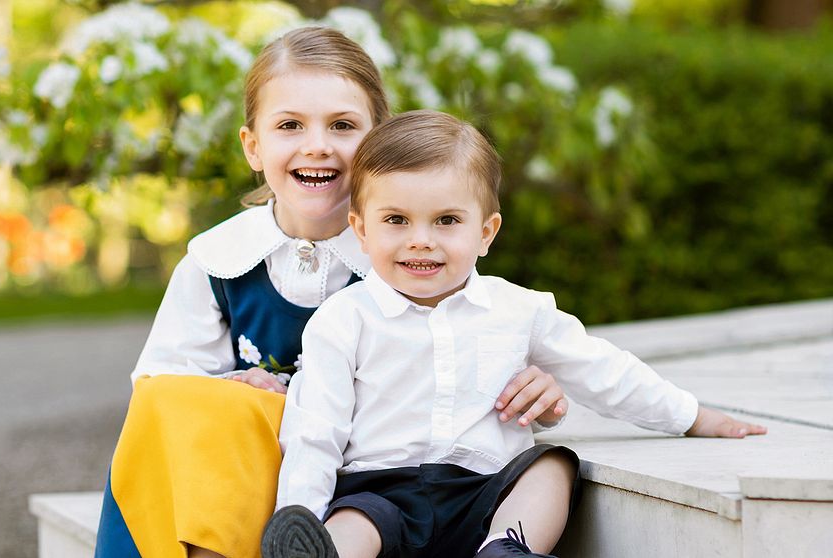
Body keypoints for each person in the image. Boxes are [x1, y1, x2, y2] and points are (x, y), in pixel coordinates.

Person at [94, 29, 573, 558]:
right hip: (253, 467)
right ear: (254, 147)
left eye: (342, 125)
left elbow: (471, 334)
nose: (316, 144)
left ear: (376, 143)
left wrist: (530, 381)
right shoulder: (217, 260)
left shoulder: (410, 254)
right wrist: (233, 386)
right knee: (189, 405)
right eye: (290, 125)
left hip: (372, 475)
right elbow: (161, 390)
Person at [262, 110, 768, 558]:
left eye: (446, 221)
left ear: (486, 232)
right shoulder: (343, 318)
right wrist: (300, 511)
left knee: (551, 467)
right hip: (380, 491)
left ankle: (508, 548)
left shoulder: (517, 309)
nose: (421, 240)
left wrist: (691, 415)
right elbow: (315, 431)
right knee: (353, 523)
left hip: (484, 491)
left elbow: (600, 369)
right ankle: (315, 553)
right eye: (396, 220)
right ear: (362, 228)